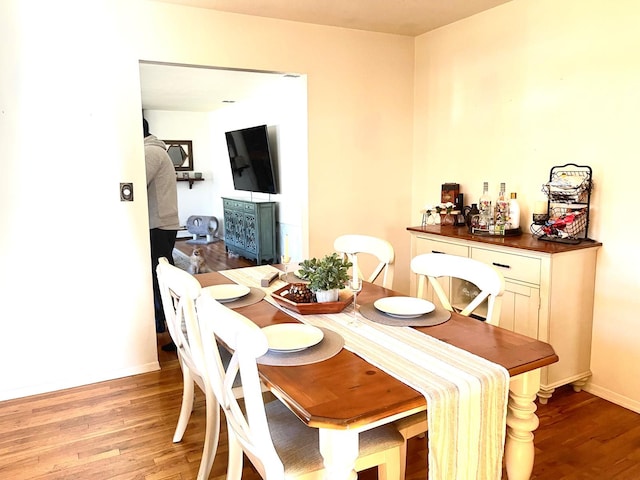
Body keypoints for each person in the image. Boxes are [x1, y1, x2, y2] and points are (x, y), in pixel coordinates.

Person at [143, 118, 180, 347]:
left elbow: (134, 184)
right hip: (160, 224)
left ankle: (180, 332)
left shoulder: (150, 153)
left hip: (158, 225)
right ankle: (164, 323)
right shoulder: (154, 150)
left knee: (162, 279)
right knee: (162, 277)